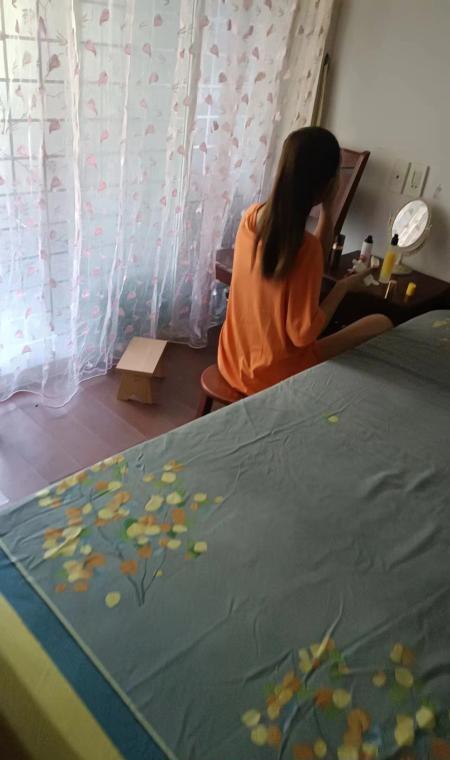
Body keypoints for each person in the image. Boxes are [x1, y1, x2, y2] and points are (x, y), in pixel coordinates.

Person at [218, 127, 392, 395]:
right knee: (381, 322)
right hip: (273, 377)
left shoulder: (250, 219)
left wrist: (328, 212)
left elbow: (313, 258)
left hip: (230, 361)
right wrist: (343, 287)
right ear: (328, 185)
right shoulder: (304, 248)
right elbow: (303, 335)